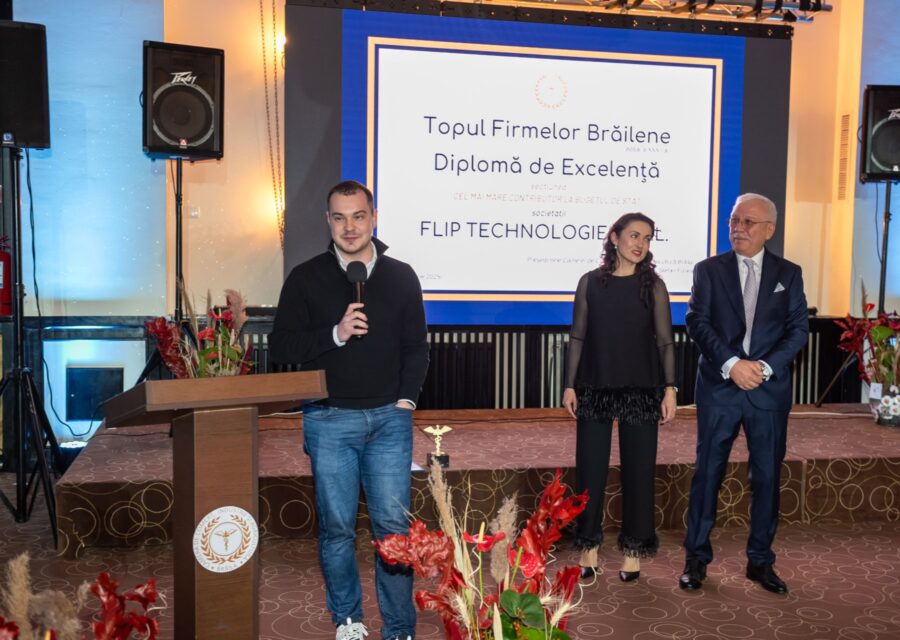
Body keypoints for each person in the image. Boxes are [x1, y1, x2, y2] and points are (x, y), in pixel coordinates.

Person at [269, 180, 429, 640]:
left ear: (373, 218)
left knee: (393, 529)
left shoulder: (402, 276)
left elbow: (416, 346)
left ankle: (399, 627)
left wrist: (406, 400)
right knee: (337, 529)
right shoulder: (305, 277)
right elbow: (281, 346)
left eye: (358, 216)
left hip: (389, 420)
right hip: (328, 419)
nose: (350, 227)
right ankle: (348, 620)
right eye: (339, 217)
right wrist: (335, 335)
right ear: (328, 221)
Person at [680, 193, 808, 594]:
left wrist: (764, 368)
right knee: (708, 473)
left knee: (767, 476)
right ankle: (696, 559)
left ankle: (760, 561)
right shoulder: (708, 270)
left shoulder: (789, 273)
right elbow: (697, 322)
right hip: (720, 386)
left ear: (770, 229)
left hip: (768, 392)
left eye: (748, 222)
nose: (738, 228)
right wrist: (732, 364)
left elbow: (798, 330)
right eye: (734, 221)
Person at [562, 212, 677, 582]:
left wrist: (670, 388)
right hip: (595, 386)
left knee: (639, 472)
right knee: (590, 470)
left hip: (641, 389)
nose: (640, 244)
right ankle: (589, 546)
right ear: (614, 237)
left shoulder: (654, 286)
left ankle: (633, 549)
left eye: (647, 237)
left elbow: (665, 341)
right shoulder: (590, 282)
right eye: (634, 235)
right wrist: (569, 385)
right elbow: (578, 335)